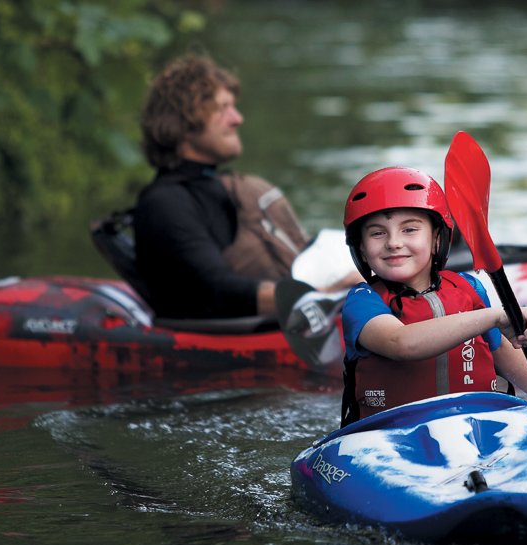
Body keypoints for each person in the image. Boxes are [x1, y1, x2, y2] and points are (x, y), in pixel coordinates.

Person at [133, 53, 359, 365]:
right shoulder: (164, 204)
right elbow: (216, 289)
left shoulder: (229, 188)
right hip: (231, 345)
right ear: (184, 119)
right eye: (223, 108)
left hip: (293, 309)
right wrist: (323, 293)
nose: (237, 118)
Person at [338, 166, 527, 444]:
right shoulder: (362, 302)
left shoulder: (468, 288)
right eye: (377, 234)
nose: (394, 243)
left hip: (479, 431)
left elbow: (511, 361)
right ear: (361, 248)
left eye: (409, 229)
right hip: (392, 440)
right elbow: (402, 343)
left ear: (436, 239)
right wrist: (494, 317)